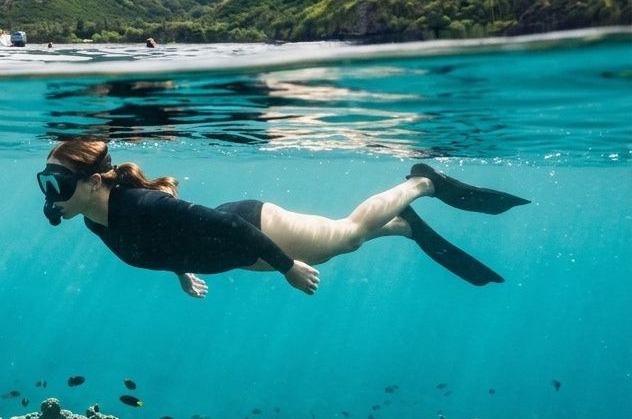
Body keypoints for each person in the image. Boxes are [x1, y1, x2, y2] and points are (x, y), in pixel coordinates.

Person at [37, 139, 530, 296]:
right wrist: (181, 271)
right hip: (231, 252)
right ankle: (402, 224)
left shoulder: (142, 205)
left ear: (95, 181)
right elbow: (160, 242)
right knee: (347, 242)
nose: (49, 194)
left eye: (57, 183)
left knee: (349, 237)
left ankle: (422, 183)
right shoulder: (95, 220)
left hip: (254, 230)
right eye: (45, 183)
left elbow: (229, 228)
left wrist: (288, 267)